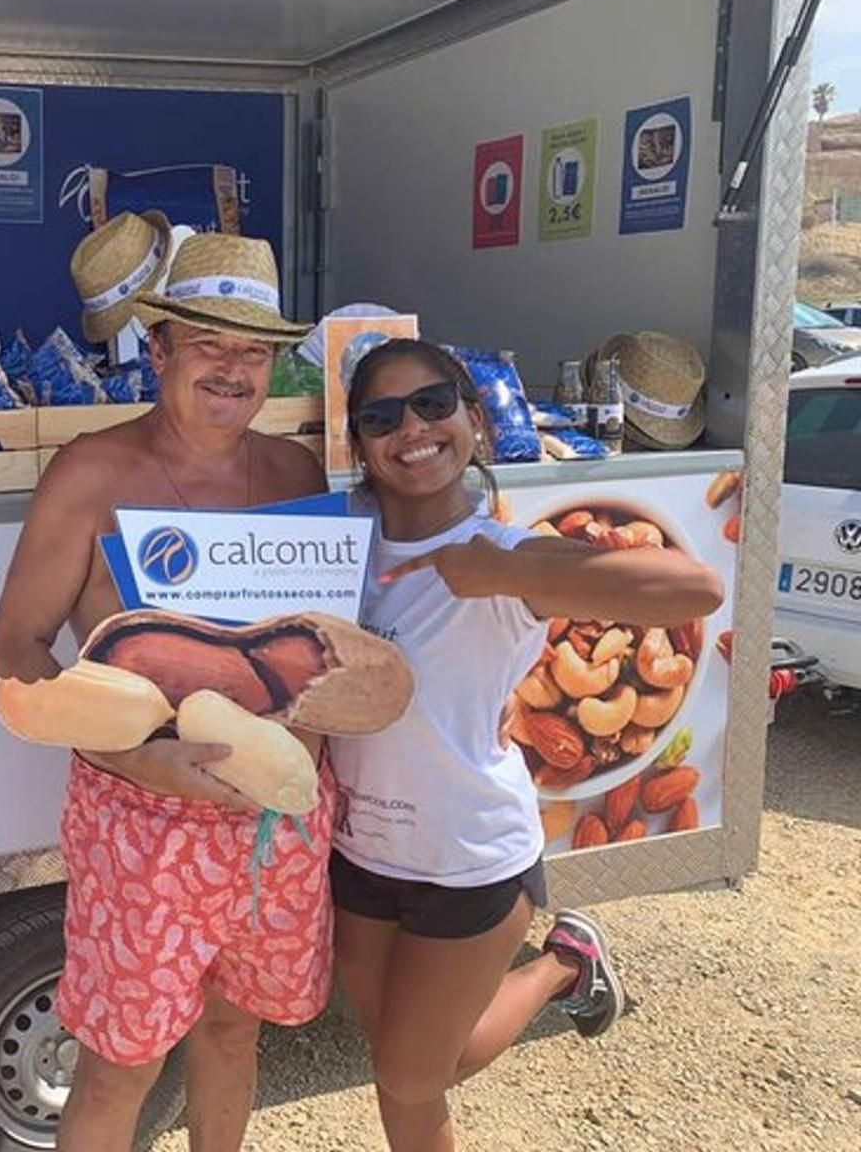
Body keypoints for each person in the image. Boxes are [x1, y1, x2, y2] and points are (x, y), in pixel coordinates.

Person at [326, 338, 725, 1152]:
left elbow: (698, 588)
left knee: (407, 1079)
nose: (413, 429)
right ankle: (567, 963)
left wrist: (498, 575)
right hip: (359, 853)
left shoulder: (507, 554)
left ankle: (554, 965)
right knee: (405, 1059)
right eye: (382, 415)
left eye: (434, 404)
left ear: (473, 418)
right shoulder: (336, 540)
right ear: (358, 442)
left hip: (470, 860)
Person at [0, 233, 329, 1152]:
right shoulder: (92, 472)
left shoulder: (298, 476)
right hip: (142, 822)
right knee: (121, 1064)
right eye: (207, 342)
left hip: (275, 822)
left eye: (253, 350)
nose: (233, 368)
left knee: (232, 1029)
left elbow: (317, 646)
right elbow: (14, 653)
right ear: (160, 347)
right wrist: (137, 755)